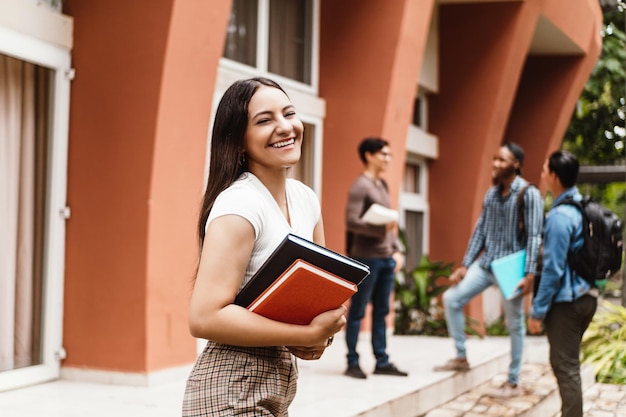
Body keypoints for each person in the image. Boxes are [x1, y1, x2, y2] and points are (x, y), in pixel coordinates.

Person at [182, 77, 346, 416]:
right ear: (239, 141)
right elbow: (204, 317)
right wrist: (303, 333)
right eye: (265, 120)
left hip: (276, 389)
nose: (285, 127)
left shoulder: (305, 199)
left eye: (289, 113)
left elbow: (320, 291)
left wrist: (318, 337)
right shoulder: (240, 204)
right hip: (230, 390)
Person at [433, 142, 544, 398]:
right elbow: (480, 232)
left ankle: (513, 381)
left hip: (513, 267)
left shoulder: (529, 194)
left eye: (501, 160)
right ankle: (461, 357)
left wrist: (529, 275)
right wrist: (465, 265)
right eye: (494, 159)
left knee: (514, 323)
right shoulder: (491, 195)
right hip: (487, 265)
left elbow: (535, 237)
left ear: (516, 164)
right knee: (452, 299)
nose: (495, 164)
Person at [528, 150, 597, 417]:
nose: (542, 174)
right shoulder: (583, 207)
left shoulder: (559, 216)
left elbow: (554, 270)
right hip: (587, 295)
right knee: (568, 364)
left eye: (545, 169)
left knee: (565, 367)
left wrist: (537, 311)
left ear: (554, 176)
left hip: (567, 303)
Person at [343, 137, 408, 379]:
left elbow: (391, 225)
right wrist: (381, 230)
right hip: (365, 259)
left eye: (389, 155)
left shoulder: (382, 185)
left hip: (385, 259)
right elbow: (352, 221)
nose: (388, 159)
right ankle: (352, 361)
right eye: (384, 154)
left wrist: (397, 250)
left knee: (382, 311)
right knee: (358, 311)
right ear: (369, 155)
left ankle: (381, 360)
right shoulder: (361, 186)